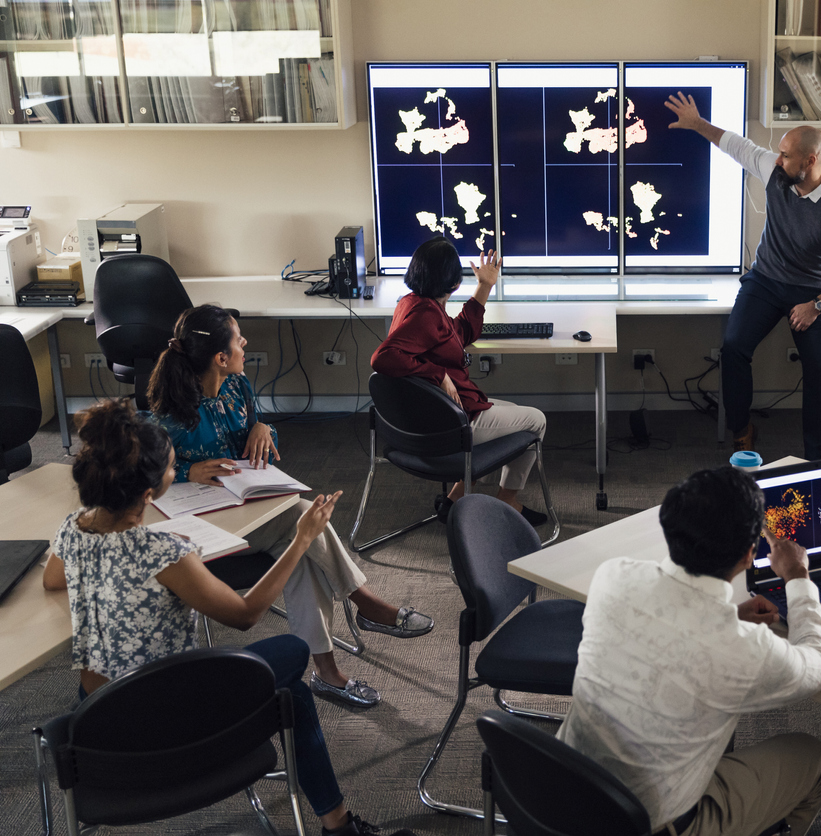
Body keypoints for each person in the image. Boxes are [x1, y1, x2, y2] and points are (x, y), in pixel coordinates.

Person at [42, 399, 412, 836]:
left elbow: (52, 579)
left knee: (289, 686)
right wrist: (301, 539)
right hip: (175, 725)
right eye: (170, 469)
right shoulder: (166, 554)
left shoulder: (74, 528)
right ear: (148, 494)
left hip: (101, 727)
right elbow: (246, 615)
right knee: (293, 654)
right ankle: (338, 825)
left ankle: (338, 824)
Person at [148, 304, 433, 709]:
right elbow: (135, 471)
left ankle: (328, 674)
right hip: (202, 531)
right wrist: (186, 470)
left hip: (250, 511)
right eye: (238, 339)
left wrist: (265, 428)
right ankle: (364, 604)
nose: (246, 344)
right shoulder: (171, 412)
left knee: (300, 551)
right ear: (220, 357)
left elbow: (261, 438)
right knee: (302, 518)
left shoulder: (237, 387)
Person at [557, 466, 821, 836]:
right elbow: (820, 663)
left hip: (563, 789)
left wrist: (732, 618)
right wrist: (798, 577)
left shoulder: (614, 576)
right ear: (749, 554)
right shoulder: (743, 651)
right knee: (812, 757)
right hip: (653, 826)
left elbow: (671, 626)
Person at [665, 92, 821, 460]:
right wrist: (697, 124)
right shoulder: (776, 173)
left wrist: (817, 305)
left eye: (786, 155)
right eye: (779, 151)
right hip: (766, 281)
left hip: (812, 292)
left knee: (819, 373)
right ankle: (742, 431)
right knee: (733, 348)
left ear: (810, 161)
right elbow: (736, 146)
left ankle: (816, 459)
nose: (778, 158)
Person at [371, 237, 548, 525]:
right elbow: (382, 358)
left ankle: (455, 499)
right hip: (453, 422)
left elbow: (459, 332)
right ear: (454, 283)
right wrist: (438, 374)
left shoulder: (414, 304)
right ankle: (508, 501)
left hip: (427, 419)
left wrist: (485, 285)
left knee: (510, 414)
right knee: (536, 421)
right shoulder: (426, 316)